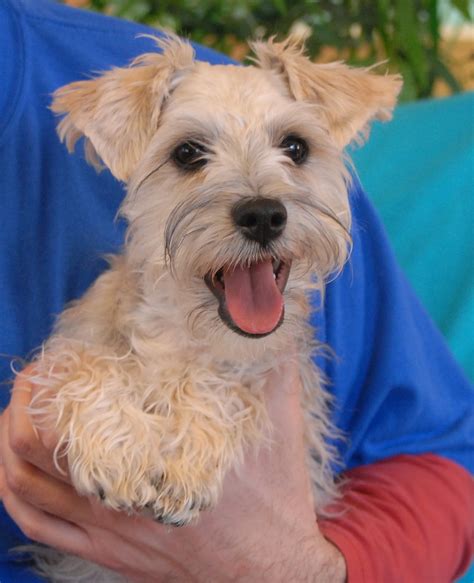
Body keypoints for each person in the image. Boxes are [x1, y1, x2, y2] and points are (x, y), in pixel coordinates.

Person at [0, 0, 472, 581]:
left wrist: (290, 567)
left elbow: (443, 465)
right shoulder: (89, 342)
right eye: (191, 155)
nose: (261, 200)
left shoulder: (334, 302)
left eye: (294, 149)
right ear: (128, 154)